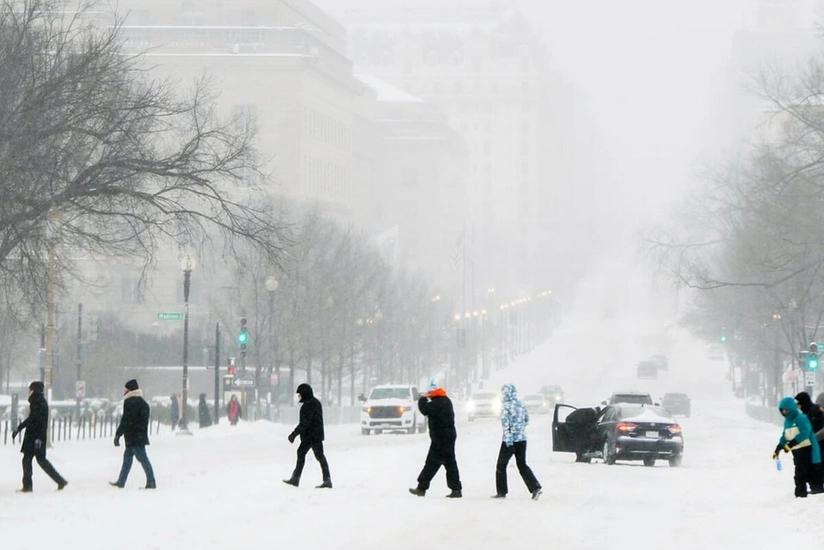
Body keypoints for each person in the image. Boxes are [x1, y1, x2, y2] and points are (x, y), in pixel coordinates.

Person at [409, 380, 462, 498]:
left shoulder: (438, 403)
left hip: (441, 439)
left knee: (433, 463)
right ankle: (456, 489)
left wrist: (421, 398)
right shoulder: (445, 400)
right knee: (447, 463)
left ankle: (422, 488)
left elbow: (424, 410)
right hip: (446, 437)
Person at [12, 381, 67, 492]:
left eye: (31, 389)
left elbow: (39, 422)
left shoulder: (39, 403)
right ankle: (30, 485)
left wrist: (38, 439)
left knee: (37, 460)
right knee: (29, 460)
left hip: (35, 438)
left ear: (35, 390)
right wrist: (19, 428)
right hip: (33, 437)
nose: (29, 392)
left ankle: (57, 481)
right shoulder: (37, 402)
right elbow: (31, 419)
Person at [492, 384, 542, 500]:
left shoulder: (506, 407)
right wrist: (520, 430)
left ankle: (501, 492)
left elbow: (506, 425)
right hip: (522, 439)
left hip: (510, 441)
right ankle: (535, 487)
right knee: (522, 465)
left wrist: (509, 440)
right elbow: (526, 420)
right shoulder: (521, 404)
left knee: (501, 465)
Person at [283, 384, 332, 488]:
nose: (299, 397)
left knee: (302, 453)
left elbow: (304, 423)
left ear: (305, 394)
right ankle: (327, 479)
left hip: (310, 436)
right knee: (319, 456)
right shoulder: (316, 403)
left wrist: (293, 434)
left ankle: (295, 479)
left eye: (300, 395)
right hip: (317, 435)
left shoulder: (307, 406)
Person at [110, 379, 156, 489]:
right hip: (138, 436)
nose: (124, 391)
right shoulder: (143, 403)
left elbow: (125, 420)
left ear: (130, 389)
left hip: (132, 437)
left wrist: (118, 435)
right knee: (127, 460)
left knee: (143, 459)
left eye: (125, 389)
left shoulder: (130, 402)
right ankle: (121, 481)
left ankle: (151, 481)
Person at [773, 396, 822, 498]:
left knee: (805, 474)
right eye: (782, 410)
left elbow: (805, 433)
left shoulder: (801, 418)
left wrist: (791, 444)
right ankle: (803, 496)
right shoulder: (788, 422)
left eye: (786, 410)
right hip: (797, 453)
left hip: (808, 451)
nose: (784, 412)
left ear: (791, 408)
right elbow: (785, 435)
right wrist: (779, 447)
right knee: (802, 475)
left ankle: (807, 496)